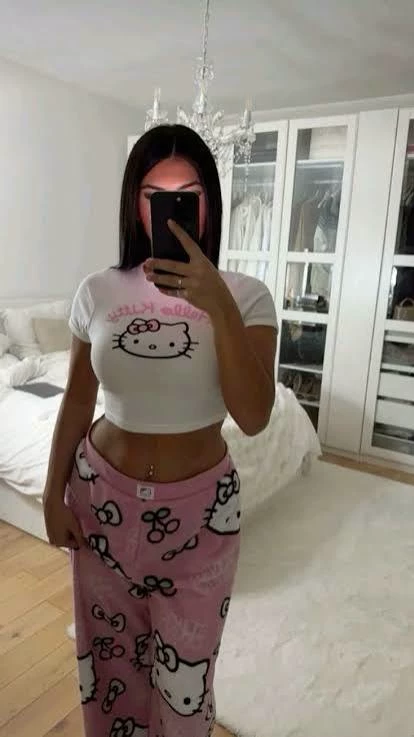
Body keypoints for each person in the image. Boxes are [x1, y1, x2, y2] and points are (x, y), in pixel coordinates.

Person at [43, 124, 278, 737]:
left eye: (186, 194)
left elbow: (254, 416)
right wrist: (51, 492)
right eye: (154, 194)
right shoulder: (96, 291)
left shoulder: (247, 297)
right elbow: (78, 398)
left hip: (200, 517)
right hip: (99, 502)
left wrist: (216, 301)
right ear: (133, 203)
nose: (169, 207)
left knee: (184, 693)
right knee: (109, 675)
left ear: (209, 204)